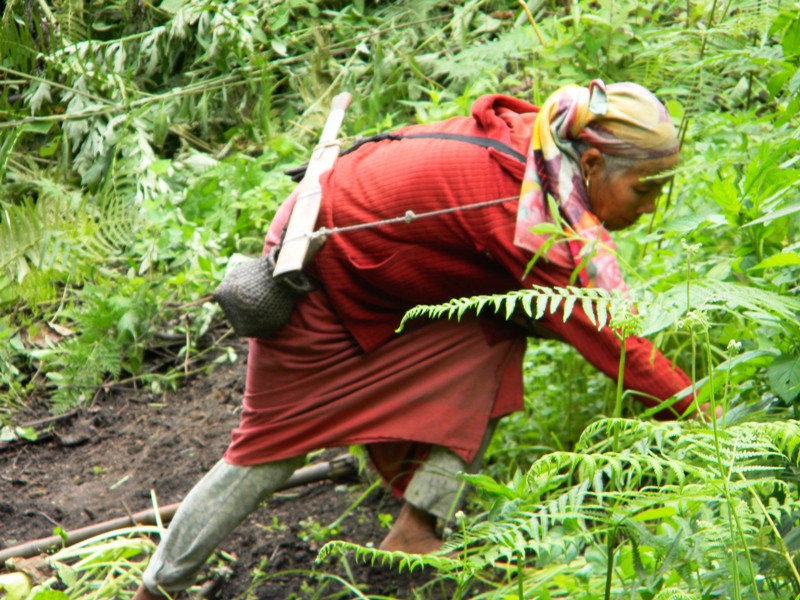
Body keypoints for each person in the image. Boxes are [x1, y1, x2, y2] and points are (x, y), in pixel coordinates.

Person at [134, 80, 696, 599]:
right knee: (267, 452)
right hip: (313, 276)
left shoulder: (544, 148)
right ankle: (158, 587)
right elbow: (612, 339)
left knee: (493, 336)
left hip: (376, 277)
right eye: (644, 189)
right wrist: (703, 418)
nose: (650, 207)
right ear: (591, 163)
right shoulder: (518, 213)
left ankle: (418, 527)